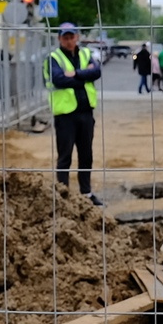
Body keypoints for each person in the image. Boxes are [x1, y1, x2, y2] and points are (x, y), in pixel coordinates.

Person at [48, 23, 105, 204]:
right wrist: (83, 77)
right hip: (65, 115)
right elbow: (58, 79)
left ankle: (86, 194)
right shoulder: (53, 58)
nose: (69, 41)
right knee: (65, 157)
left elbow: (96, 71)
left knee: (86, 155)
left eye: (72, 37)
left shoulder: (86, 53)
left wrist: (75, 74)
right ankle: (63, 196)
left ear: (77, 37)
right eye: (65, 38)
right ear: (59, 39)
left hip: (86, 113)